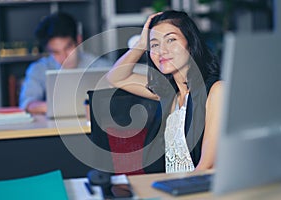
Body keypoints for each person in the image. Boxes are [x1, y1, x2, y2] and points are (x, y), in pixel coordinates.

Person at [107, 10, 223, 173]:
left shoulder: (216, 91)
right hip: (168, 188)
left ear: (190, 44)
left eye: (171, 40)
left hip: (195, 190)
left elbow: (207, 166)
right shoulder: (167, 93)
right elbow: (115, 77)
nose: (162, 50)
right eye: (154, 44)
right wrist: (141, 43)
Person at [19, 12, 112, 114]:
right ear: (47, 50)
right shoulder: (39, 69)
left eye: (68, 48)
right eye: (56, 52)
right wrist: (65, 108)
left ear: (79, 40)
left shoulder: (101, 67)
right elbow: (27, 103)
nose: (64, 57)